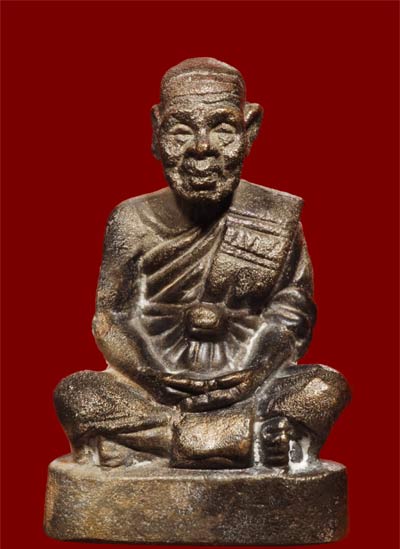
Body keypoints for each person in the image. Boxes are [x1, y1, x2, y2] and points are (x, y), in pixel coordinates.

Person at [54, 58, 350, 469]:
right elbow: (111, 317)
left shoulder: (274, 217)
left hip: (247, 387)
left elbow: (291, 313)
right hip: (157, 391)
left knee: (323, 387)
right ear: (157, 132)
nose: (202, 148)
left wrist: (257, 371)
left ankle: (160, 443)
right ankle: (244, 442)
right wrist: (150, 375)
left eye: (223, 129)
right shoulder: (131, 220)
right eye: (180, 131)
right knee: (78, 394)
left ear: (250, 130)